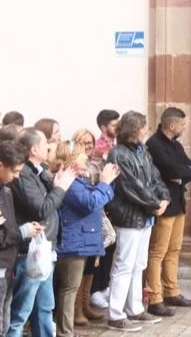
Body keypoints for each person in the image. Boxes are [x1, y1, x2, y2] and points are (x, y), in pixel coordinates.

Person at [105, 111, 170, 332]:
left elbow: (155, 177)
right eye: (144, 126)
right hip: (129, 216)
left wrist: (164, 198)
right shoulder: (118, 154)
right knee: (124, 265)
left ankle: (134, 308)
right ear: (134, 129)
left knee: (138, 264)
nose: (147, 129)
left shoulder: (143, 151)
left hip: (146, 216)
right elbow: (131, 187)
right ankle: (115, 314)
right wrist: (154, 203)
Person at [8, 128, 77, 337]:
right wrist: (60, 188)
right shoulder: (23, 175)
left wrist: (57, 184)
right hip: (30, 251)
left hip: (46, 247)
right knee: (22, 311)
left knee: (45, 307)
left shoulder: (39, 170)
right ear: (35, 149)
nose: (50, 146)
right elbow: (41, 209)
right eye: (46, 143)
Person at [52, 142, 118, 337]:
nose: (86, 160)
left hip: (81, 240)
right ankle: (65, 332)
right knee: (69, 288)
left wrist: (108, 181)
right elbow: (90, 203)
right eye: (82, 157)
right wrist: (105, 183)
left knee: (71, 287)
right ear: (73, 160)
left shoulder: (79, 180)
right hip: (73, 241)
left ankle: (67, 330)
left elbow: (100, 198)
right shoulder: (71, 183)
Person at [145, 107, 191, 316]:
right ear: (172, 125)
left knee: (174, 249)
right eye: (182, 124)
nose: (184, 128)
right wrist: (180, 174)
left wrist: (181, 176)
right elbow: (172, 170)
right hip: (163, 204)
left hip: (178, 202)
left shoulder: (175, 144)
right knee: (158, 251)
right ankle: (155, 297)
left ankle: (171, 291)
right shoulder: (154, 145)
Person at [0, 141, 44, 336]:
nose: (17, 177)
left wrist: (21, 230)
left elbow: (7, 228)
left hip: (8, 265)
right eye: (14, 171)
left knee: (5, 319)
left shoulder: (6, 190)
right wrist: (22, 232)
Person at [70, 129, 107, 325]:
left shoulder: (96, 164)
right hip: (83, 223)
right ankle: (76, 310)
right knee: (79, 270)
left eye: (90, 143)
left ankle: (85, 305)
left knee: (92, 265)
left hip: (96, 220)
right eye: (84, 143)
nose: (88, 147)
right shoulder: (77, 168)